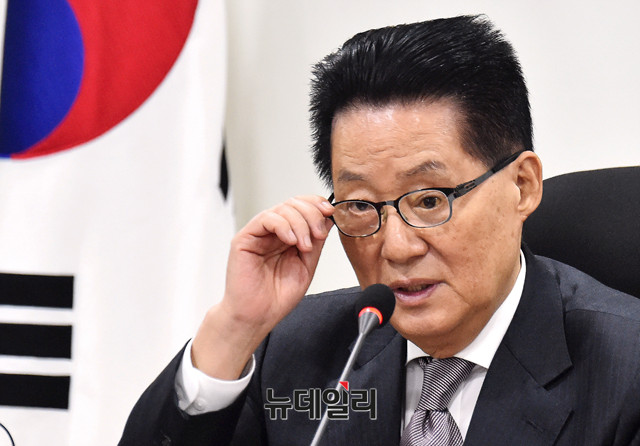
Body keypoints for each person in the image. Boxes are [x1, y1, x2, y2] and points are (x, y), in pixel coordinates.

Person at [119, 15, 640, 446]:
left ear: (522, 186)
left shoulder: (626, 372)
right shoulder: (296, 352)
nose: (396, 247)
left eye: (430, 200)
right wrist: (235, 328)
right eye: (361, 206)